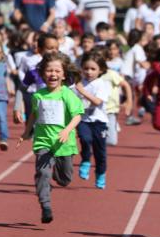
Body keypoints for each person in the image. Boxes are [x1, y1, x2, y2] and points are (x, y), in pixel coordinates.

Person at [18, 52, 84, 224]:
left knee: (64, 179)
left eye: (57, 71)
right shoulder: (38, 96)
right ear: (42, 74)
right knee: (42, 173)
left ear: (63, 74)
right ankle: (45, 206)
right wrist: (26, 132)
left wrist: (67, 130)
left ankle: (53, 176)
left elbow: (77, 115)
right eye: (48, 71)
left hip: (64, 144)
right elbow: (33, 114)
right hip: (43, 142)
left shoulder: (67, 95)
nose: (52, 74)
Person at [74, 51, 110, 189]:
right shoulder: (79, 83)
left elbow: (96, 101)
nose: (89, 72)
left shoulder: (102, 84)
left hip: (99, 122)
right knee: (85, 139)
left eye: (93, 69)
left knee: (100, 152)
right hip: (83, 119)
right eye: (86, 68)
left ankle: (100, 174)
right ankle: (85, 161)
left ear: (101, 70)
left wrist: (82, 91)